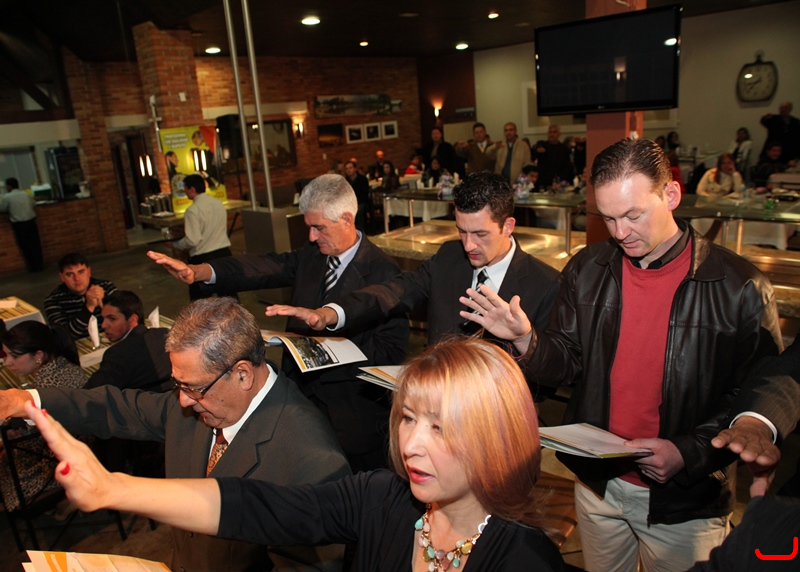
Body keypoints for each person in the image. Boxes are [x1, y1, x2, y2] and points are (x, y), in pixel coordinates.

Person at [460, 138, 785, 571]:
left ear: (671, 195)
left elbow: (755, 397)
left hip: (686, 501)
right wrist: (527, 339)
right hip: (599, 486)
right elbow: (567, 363)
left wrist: (687, 452)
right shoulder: (587, 268)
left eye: (633, 215)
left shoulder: (740, 287)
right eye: (608, 218)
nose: (619, 233)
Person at [27, 337, 567, 572]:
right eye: (407, 418)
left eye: (439, 427)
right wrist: (113, 488)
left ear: (493, 436)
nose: (411, 444)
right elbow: (257, 506)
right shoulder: (381, 498)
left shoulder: (525, 560)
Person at [0, 297, 351, 572]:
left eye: (193, 387)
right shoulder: (201, 403)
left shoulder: (311, 460)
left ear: (243, 374)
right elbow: (117, 406)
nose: (182, 400)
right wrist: (27, 401)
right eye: (178, 384)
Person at [148, 174, 408, 472]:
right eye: (308, 226)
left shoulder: (383, 273)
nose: (311, 236)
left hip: (351, 415)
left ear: (347, 219)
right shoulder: (313, 256)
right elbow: (263, 267)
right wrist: (201, 271)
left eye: (318, 227)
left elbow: (391, 350)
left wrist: (325, 354)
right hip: (300, 403)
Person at [265, 171, 560, 400]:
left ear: (508, 226)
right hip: (436, 409)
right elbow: (394, 291)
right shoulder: (448, 257)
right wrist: (331, 314)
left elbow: (555, 374)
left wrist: (525, 339)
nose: (468, 245)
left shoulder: (544, 282)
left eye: (480, 234)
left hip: (497, 420)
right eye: (461, 231)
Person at [0, 321, 85, 512]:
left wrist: (8, 438)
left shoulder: (43, 391)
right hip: (79, 452)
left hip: (55, 466)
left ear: (38, 355)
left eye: (14, 356)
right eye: (6, 355)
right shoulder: (66, 365)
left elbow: (30, 442)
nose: (7, 362)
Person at [83, 290, 171, 391]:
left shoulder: (117, 354)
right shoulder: (165, 334)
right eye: (103, 319)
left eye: (112, 319)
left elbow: (91, 393)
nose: (103, 325)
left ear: (132, 320)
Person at [170, 174, 232, 301]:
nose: (185, 191)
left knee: (200, 302)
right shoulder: (218, 203)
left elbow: (192, 240)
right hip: (224, 254)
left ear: (192, 189)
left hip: (203, 258)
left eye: (185, 188)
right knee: (229, 298)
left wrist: (175, 245)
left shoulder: (192, 210)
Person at [44, 252, 117, 340]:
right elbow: (64, 337)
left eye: (81, 272)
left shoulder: (106, 287)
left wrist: (105, 306)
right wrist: (89, 307)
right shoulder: (53, 300)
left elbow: (126, 320)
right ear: (62, 277)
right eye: (70, 274)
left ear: (89, 271)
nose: (77, 278)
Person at [0, 177, 43, 272]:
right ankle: (39, 265)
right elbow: (33, 204)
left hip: (19, 225)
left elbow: (2, 209)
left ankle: (32, 267)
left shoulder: (7, 197)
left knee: (25, 246)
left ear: (9, 186)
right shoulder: (26, 194)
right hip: (31, 222)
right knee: (35, 244)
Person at [531, 124, 573, 190]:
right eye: (550, 132)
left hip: (558, 182)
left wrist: (562, 181)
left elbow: (567, 167)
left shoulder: (564, 149)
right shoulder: (542, 145)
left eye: (554, 132)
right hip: (543, 182)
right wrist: (539, 149)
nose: (552, 134)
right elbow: (536, 150)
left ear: (559, 134)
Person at [759, 101, 800, 166]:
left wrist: (797, 155)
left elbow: (797, 139)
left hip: (788, 152)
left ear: (790, 109)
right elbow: (763, 122)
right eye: (781, 108)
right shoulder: (773, 119)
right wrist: (765, 118)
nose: (783, 110)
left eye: (785, 108)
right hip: (773, 151)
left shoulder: (796, 122)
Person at [344, 160, 370, 232]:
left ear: (355, 169)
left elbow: (365, 193)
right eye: (347, 169)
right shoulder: (345, 181)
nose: (349, 170)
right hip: (349, 204)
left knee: (359, 210)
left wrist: (355, 203)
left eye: (350, 168)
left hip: (360, 202)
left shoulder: (362, 179)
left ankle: (361, 231)